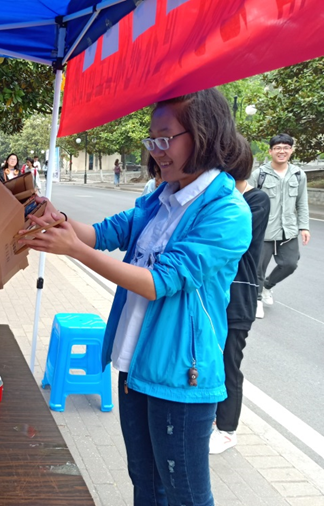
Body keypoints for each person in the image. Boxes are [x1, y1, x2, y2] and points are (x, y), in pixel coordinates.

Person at [19, 88, 252, 505]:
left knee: (186, 496)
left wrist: (75, 251)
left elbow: (158, 281)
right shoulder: (161, 198)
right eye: (152, 139)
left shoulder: (227, 211)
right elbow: (105, 233)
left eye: (166, 138)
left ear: (204, 134)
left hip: (180, 378)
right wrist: (61, 221)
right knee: (145, 484)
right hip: (135, 366)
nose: (156, 150)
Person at [210, 138, 270, 454]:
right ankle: (211, 417)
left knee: (228, 363)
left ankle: (227, 429)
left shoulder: (256, 200)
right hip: (213, 295)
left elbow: (231, 236)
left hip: (238, 297)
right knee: (209, 358)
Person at [248, 133, 310, 319]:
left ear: (291, 150)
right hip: (263, 231)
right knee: (258, 268)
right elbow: (246, 201)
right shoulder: (259, 174)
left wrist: (304, 227)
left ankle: (267, 286)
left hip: (287, 230)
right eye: (277, 148)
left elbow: (302, 202)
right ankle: (257, 300)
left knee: (290, 264)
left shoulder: (298, 174)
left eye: (285, 148)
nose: (281, 151)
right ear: (270, 151)